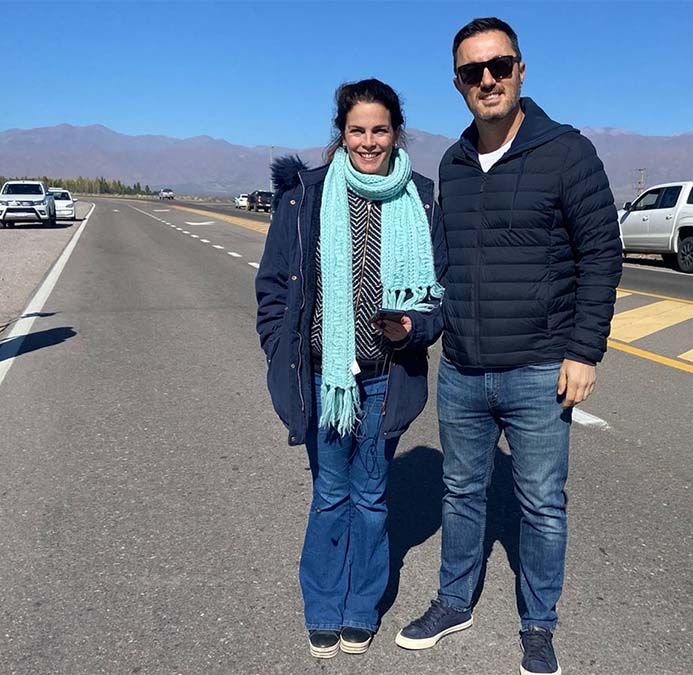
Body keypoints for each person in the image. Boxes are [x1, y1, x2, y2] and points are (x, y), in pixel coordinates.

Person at [395, 18, 622, 675]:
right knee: (461, 492)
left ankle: (538, 623)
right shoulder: (454, 164)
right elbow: (444, 268)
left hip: (539, 367)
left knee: (541, 503)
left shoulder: (566, 152)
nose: (487, 79)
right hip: (464, 369)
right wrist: (420, 326)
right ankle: (453, 601)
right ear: (458, 84)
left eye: (499, 66)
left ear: (522, 70)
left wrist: (585, 351)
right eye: (473, 72)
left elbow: (601, 254)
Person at [255, 79, 446, 660]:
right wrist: (279, 347)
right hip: (323, 379)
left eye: (380, 130)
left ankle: (361, 607)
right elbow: (272, 286)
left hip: (386, 378)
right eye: (357, 130)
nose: (368, 141)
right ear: (342, 132)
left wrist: (414, 328)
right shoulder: (306, 196)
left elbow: (441, 298)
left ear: (396, 133)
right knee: (329, 494)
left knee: (372, 497)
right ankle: (322, 607)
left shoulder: (420, 198)